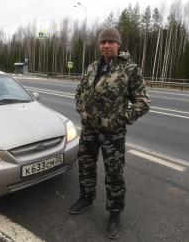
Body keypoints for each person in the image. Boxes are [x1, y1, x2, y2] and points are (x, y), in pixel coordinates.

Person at [70, 27, 151, 239]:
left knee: (114, 173)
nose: (106, 45)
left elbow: (143, 103)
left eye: (110, 42)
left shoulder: (129, 69)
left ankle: (114, 213)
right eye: (103, 42)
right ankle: (86, 197)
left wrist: (118, 120)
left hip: (112, 134)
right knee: (85, 165)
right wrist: (83, 111)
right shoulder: (92, 67)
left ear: (118, 45)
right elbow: (79, 93)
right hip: (89, 129)